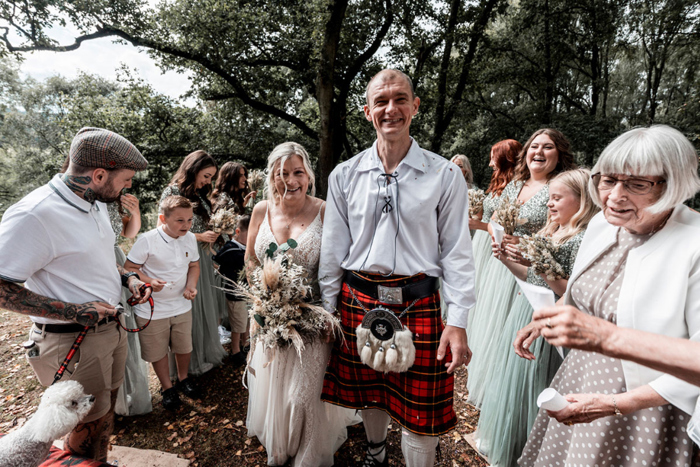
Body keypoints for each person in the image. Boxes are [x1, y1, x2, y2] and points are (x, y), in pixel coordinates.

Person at [515, 125, 700, 466]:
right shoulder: (603, 223)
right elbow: (578, 293)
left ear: (673, 184)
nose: (615, 196)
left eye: (637, 184)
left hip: (647, 405)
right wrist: (545, 318)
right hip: (578, 378)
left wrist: (620, 403)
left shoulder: (695, 244)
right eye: (608, 180)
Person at [320, 69, 476, 467]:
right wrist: (328, 308)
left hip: (418, 303)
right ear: (368, 111)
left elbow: (457, 251)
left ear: (415, 106)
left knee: (419, 415)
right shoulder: (344, 175)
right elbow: (334, 248)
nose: (392, 109)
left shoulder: (445, 175)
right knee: (370, 390)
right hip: (356, 300)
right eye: (381, 101)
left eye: (400, 99)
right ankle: (375, 452)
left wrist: (457, 321)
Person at [0, 127, 151, 461]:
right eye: (125, 179)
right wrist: (75, 312)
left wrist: (128, 279)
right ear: (98, 174)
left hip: (109, 332)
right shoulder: (34, 214)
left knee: (103, 412)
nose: (128, 187)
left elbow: (99, 261)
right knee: (88, 423)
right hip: (73, 339)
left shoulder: (94, 201)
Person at [475, 169, 598, 466]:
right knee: (518, 385)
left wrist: (544, 268)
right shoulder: (551, 231)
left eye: (556, 198)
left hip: (554, 324)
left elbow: (569, 289)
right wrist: (505, 259)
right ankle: (517, 444)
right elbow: (531, 275)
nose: (549, 204)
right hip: (532, 312)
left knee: (540, 386)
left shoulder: (581, 238)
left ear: (581, 201)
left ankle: (539, 450)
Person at [245, 142, 357, 467]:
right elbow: (250, 259)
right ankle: (281, 446)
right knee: (275, 388)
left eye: (298, 172)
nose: (290, 180)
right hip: (271, 315)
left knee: (303, 396)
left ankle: (308, 456)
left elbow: (340, 265)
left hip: (314, 316)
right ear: (272, 177)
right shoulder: (260, 210)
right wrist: (263, 295)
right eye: (283, 173)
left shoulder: (325, 210)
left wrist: (331, 314)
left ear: (308, 175)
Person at [466, 129, 576, 408]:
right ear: (525, 153)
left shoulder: (559, 186)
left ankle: (513, 405)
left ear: (559, 154)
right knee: (491, 329)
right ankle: (491, 393)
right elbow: (495, 222)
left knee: (514, 334)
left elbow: (562, 230)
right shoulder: (515, 184)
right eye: (534, 146)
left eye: (547, 147)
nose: (538, 152)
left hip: (534, 274)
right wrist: (493, 232)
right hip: (501, 267)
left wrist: (525, 244)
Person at [124, 195, 201, 410]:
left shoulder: (191, 238)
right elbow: (129, 267)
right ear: (163, 218)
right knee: (157, 351)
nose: (186, 225)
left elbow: (194, 266)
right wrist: (148, 281)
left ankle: (183, 379)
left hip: (182, 305)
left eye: (189, 220)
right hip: (152, 309)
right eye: (180, 220)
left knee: (183, 346)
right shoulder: (147, 240)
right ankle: (167, 388)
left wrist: (190, 286)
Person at [160, 150, 226, 375]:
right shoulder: (171, 191)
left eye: (210, 177)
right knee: (190, 310)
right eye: (206, 176)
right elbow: (165, 229)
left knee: (204, 308)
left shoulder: (200, 194)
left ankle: (203, 354)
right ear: (194, 168)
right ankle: (186, 367)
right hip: (183, 257)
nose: (208, 181)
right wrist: (199, 237)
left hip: (203, 258)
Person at [465, 140, 520, 332]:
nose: (490, 164)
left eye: (493, 158)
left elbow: (503, 226)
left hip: (496, 242)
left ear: (506, 159)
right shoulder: (499, 182)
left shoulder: (517, 187)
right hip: (483, 240)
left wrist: (477, 224)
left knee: (491, 292)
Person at [108, 194, 153, 416]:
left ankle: (124, 395)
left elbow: (128, 232)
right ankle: (110, 401)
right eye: (126, 178)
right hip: (100, 261)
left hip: (115, 257)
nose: (128, 186)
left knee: (123, 323)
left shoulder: (114, 200)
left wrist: (135, 212)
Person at [212, 214, 251, 366]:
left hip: (247, 292)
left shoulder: (246, 247)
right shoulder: (229, 248)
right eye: (249, 234)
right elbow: (218, 260)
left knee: (246, 321)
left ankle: (246, 344)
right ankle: (235, 351)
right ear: (237, 232)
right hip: (235, 294)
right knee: (237, 325)